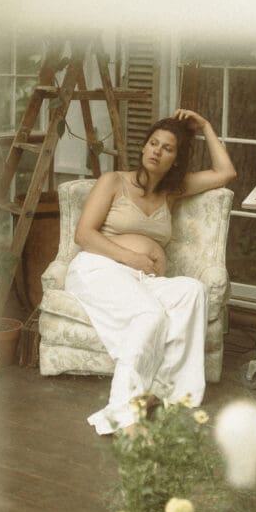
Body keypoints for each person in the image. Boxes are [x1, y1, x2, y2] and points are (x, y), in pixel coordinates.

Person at [65, 108, 236, 435]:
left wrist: (206, 125)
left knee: (192, 290)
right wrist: (131, 258)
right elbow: (84, 235)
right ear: (143, 148)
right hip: (98, 268)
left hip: (140, 276)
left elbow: (226, 172)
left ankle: (163, 391)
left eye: (167, 148)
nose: (157, 151)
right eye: (153, 143)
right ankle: (122, 414)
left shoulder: (172, 191)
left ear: (176, 159)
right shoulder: (113, 181)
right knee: (150, 315)